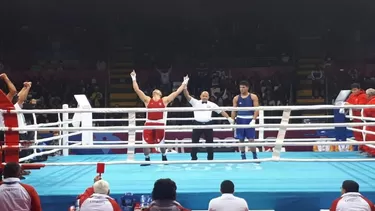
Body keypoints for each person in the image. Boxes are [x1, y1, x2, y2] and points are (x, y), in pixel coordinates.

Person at [131, 70, 189, 165]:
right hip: (149, 124)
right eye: (154, 91)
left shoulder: (164, 100)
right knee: (145, 143)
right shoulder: (147, 100)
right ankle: (147, 159)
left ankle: (164, 156)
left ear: (160, 94)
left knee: (161, 143)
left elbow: (177, 92)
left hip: (159, 124)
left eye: (157, 91)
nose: (155, 91)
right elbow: (137, 90)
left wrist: (184, 82)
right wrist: (133, 78)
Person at [183, 88, 234, 160]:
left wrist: (228, 118)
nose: (204, 97)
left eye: (206, 96)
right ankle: (193, 157)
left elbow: (221, 111)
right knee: (195, 142)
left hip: (208, 124)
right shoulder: (195, 102)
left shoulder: (212, 104)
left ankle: (210, 158)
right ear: (200, 96)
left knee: (210, 142)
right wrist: (185, 87)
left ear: (208, 97)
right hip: (197, 124)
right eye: (203, 96)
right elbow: (187, 96)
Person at [231, 80, 260, 160]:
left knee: (251, 140)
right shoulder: (236, 98)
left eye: (243, 87)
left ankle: (255, 156)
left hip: (249, 120)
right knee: (241, 140)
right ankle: (243, 156)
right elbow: (234, 110)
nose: (241, 89)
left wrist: (254, 120)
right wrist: (232, 120)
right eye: (240, 87)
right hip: (240, 120)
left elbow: (256, 109)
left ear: (247, 88)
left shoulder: (253, 97)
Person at [345, 83, 368, 151]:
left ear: (359, 89)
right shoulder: (351, 96)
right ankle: (361, 148)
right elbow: (347, 103)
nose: (354, 91)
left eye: (355, 90)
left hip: (362, 118)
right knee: (357, 133)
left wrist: (350, 105)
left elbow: (361, 106)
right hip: (355, 117)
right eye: (352, 90)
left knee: (363, 133)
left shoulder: (363, 96)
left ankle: (365, 148)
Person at [362, 88, 375, 156]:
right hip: (370, 121)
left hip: (372, 122)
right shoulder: (371, 101)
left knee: (371, 137)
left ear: (369, 95)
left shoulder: (373, 101)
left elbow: (369, 110)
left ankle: (373, 152)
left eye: (366, 95)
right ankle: (371, 151)